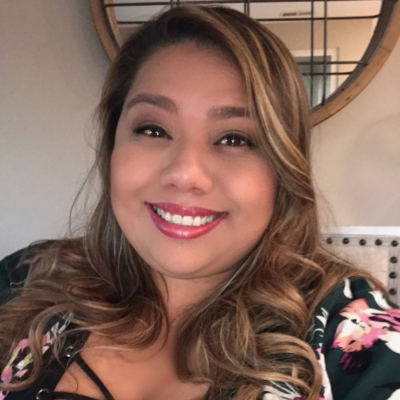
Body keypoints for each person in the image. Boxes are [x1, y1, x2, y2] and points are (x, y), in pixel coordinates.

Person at [0, 5, 399, 400]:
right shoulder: (26, 280)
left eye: (235, 139)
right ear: (112, 146)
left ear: (282, 169)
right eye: (153, 130)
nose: (185, 173)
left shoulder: (352, 332)